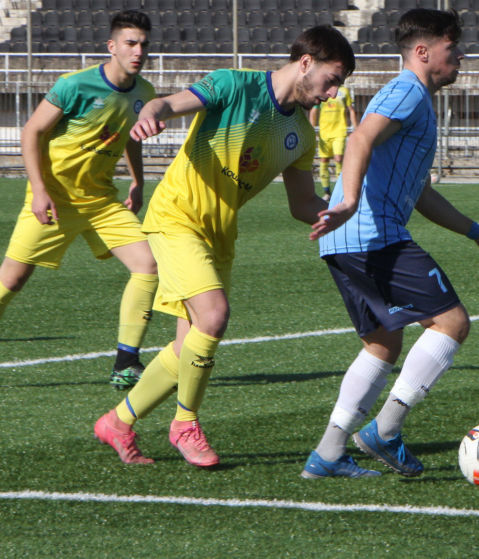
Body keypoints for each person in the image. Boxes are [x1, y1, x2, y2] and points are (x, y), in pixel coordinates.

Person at [93, 26, 354, 467]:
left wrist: (346, 212)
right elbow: (168, 104)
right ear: (306, 63)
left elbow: (303, 204)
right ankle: (184, 423)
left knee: (187, 347)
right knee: (213, 317)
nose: (332, 94)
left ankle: (117, 423)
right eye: (332, 80)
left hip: (219, 233)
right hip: (176, 218)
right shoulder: (235, 84)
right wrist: (151, 113)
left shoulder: (301, 137)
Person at [304, 9, 479, 479]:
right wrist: (351, 200)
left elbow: (419, 192)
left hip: (345, 240)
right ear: (423, 52)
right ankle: (386, 430)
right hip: (371, 235)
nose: (460, 54)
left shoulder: (413, 98)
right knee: (452, 323)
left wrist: (477, 233)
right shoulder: (406, 91)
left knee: (382, 343)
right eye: (451, 46)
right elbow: (359, 141)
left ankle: (328, 453)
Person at [0, 11, 158, 393]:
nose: (138, 50)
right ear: (112, 46)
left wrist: (138, 182)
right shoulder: (74, 85)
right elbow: (32, 131)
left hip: (101, 202)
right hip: (54, 199)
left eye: (143, 43)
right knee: (11, 281)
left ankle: (126, 363)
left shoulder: (145, 93)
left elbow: (131, 136)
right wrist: (39, 190)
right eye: (130, 42)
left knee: (148, 265)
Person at [310, 85, 358, 200]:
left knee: (338, 159)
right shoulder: (322, 89)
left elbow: (350, 110)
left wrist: (356, 128)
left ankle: (340, 190)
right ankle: (327, 192)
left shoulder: (344, 91)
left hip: (339, 131)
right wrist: (312, 128)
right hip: (324, 132)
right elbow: (314, 111)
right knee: (323, 160)